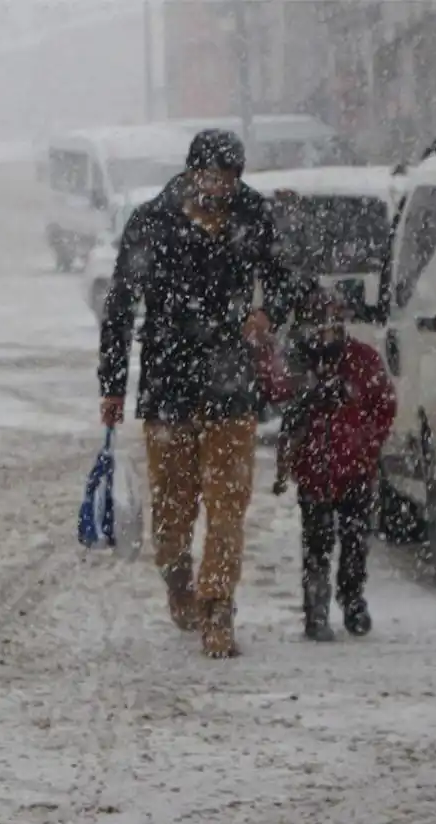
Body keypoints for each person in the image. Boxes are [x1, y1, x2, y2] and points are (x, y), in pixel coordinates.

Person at [99, 128, 310, 659]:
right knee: (171, 515)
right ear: (192, 172)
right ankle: (178, 581)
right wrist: (112, 385)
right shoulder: (152, 220)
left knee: (226, 505)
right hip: (168, 382)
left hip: (230, 381)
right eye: (211, 177)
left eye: (229, 179)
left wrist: (270, 311)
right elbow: (120, 305)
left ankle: (218, 607)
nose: (220, 189)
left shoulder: (253, 215)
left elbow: (288, 276)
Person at [273, 293, 395, 642]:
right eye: (318, 326)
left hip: (356, 470)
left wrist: (367, 444)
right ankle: (316, 608)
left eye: (332, 325)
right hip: (314, 472)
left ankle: (352, 597)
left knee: (355, 540)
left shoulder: (363, 361)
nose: (325, 334)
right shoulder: (300, 365)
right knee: (317, 542)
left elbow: (384, 405)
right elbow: (281, 399)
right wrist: (308, 397)